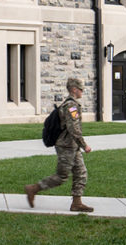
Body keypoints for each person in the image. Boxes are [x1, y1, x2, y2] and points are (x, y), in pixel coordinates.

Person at [25, 77, 94, 213]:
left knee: (81, 173)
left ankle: (76, 203)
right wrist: (84, 145)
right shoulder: (71, 106)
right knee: (61, 176)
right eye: (81, 89)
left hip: (72, 146)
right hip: (66, 146)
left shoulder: (72, 104)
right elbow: (73, 128)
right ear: (74, 89)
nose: (82, 92)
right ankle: (33, 189)